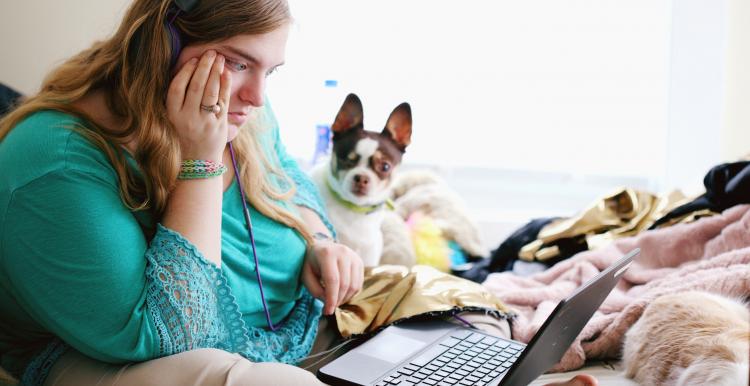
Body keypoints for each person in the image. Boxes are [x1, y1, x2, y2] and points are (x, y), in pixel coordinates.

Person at [0, 1, 599, 385]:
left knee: (449, 304)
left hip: (300, 325)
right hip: (149, 359)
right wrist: (201, 161)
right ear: (163, 45)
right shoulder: (53, 160)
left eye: (271, 71)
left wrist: (319, 241)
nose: (259, 97)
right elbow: (171, 334)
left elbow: (297, 189)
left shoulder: (245, 110)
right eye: (238, 63)